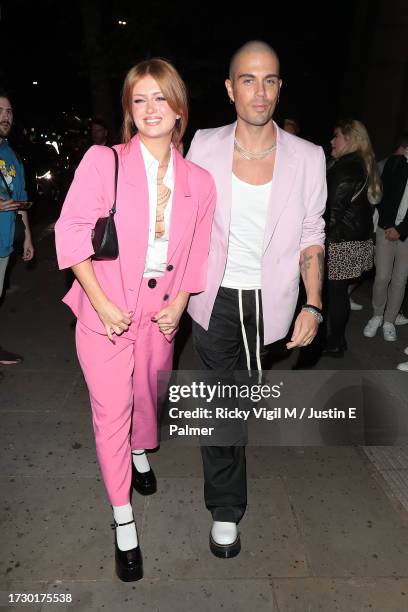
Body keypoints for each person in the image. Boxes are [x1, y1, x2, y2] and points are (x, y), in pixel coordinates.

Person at [55, 59, 215, 582]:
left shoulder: (199, 181)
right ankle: (123, 519)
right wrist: (99, 303)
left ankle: (142, 452)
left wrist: (181, 303)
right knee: (111, 413)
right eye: (140, 99)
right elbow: (74, 230)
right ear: (130, 110)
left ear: (179, 112)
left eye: (161, 99)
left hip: (160, 313)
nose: (151, 109)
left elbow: (198, 250)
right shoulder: (106, 162)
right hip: (105, 307)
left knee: (148, 399)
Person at [186, 40, 326, 558]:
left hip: (272, 302)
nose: (259, 90)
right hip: (213, 296)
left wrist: (313, 302)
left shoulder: (309, 158)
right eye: (248, 79)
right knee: (222, 404)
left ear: (279, 87)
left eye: (269, 80)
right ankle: (226, 508)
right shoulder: (203, 144)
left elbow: (313, 231)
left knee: (241, 398)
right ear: (230, 88)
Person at [324, 119, 381, 355]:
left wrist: (320, 242)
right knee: (338, 294)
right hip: (353, 241)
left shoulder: (347, 167)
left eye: (336, 136)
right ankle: (338, 340)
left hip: (339, 242)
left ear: (349, 139)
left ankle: (335, 342)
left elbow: (332, 212)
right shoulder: (362, 164)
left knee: (335, 295)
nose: (331, 141)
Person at [0, 91, 34, 365]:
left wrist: (27, 238)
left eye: (9, 111)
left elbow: (20, 197)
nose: (5, 116)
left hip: (5, 241)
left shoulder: (11, 155)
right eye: (0, 110)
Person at [363, 143, 408, 341]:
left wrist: (401, 230)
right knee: (382, 276)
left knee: (399, 280)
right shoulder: (395, 162)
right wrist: (389, 225)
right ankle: (377, 315)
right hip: (386, 228)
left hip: (406, 234)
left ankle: (389, 320)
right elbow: (384, 194)